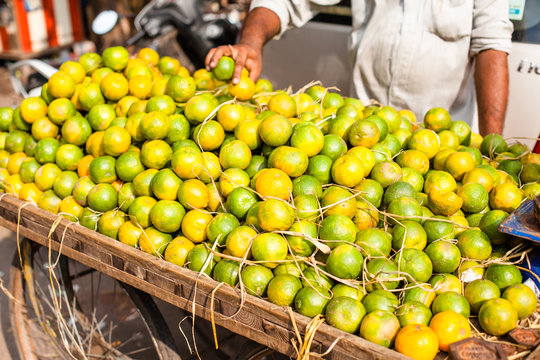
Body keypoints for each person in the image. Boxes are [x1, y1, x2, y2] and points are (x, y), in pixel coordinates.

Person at [205, 0, 513, 135]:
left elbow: (492, 47)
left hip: (438, 153)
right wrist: (251, 41)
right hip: (359, 137)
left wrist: (491, 149)